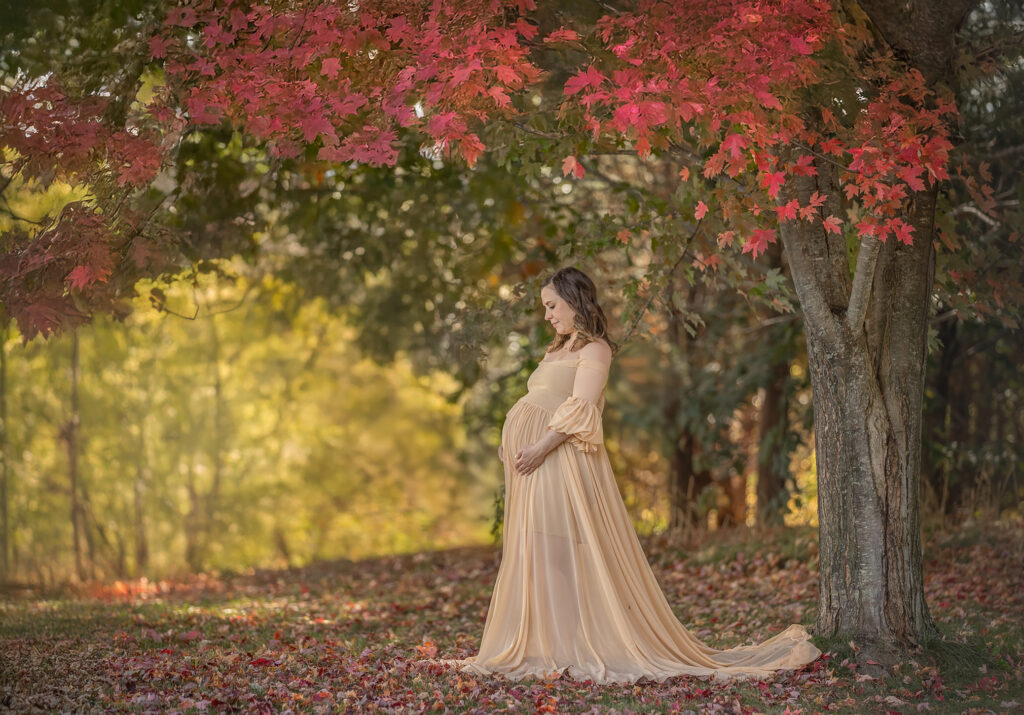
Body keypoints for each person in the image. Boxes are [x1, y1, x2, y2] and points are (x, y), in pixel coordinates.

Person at [434, 266, 821, 685]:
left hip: (557, 459)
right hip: (531, 463)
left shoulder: (596, 349)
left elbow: (581, 407)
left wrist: (540, 446)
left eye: (551, 306)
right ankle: (553, 644)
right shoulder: (556, 350)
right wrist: (511, 442)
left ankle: (573, 647)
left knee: (556, 551)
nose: (547, 315)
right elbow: (539, 400)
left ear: (574, 301)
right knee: (539, 550)